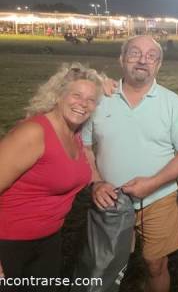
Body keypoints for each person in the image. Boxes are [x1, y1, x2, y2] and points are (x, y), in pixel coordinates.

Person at [82, 35, 178, 292]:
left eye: (151, 56)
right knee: (107, 262)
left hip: (159, 198)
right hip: (109, 198)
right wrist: (96, 183)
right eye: (134, 53)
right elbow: (84, 147)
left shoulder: (173, 104)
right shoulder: (99, 99)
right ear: (121, 59)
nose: (143, 60)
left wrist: (152, 184)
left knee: (155, 265)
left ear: (159, 65)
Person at [0, 63, 102, 288]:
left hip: (49, 241)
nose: (83, 104)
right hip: (9, 243)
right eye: (76, 95)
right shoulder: (34, 133)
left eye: (91, 99)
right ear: (58, 96)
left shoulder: (73, 132)